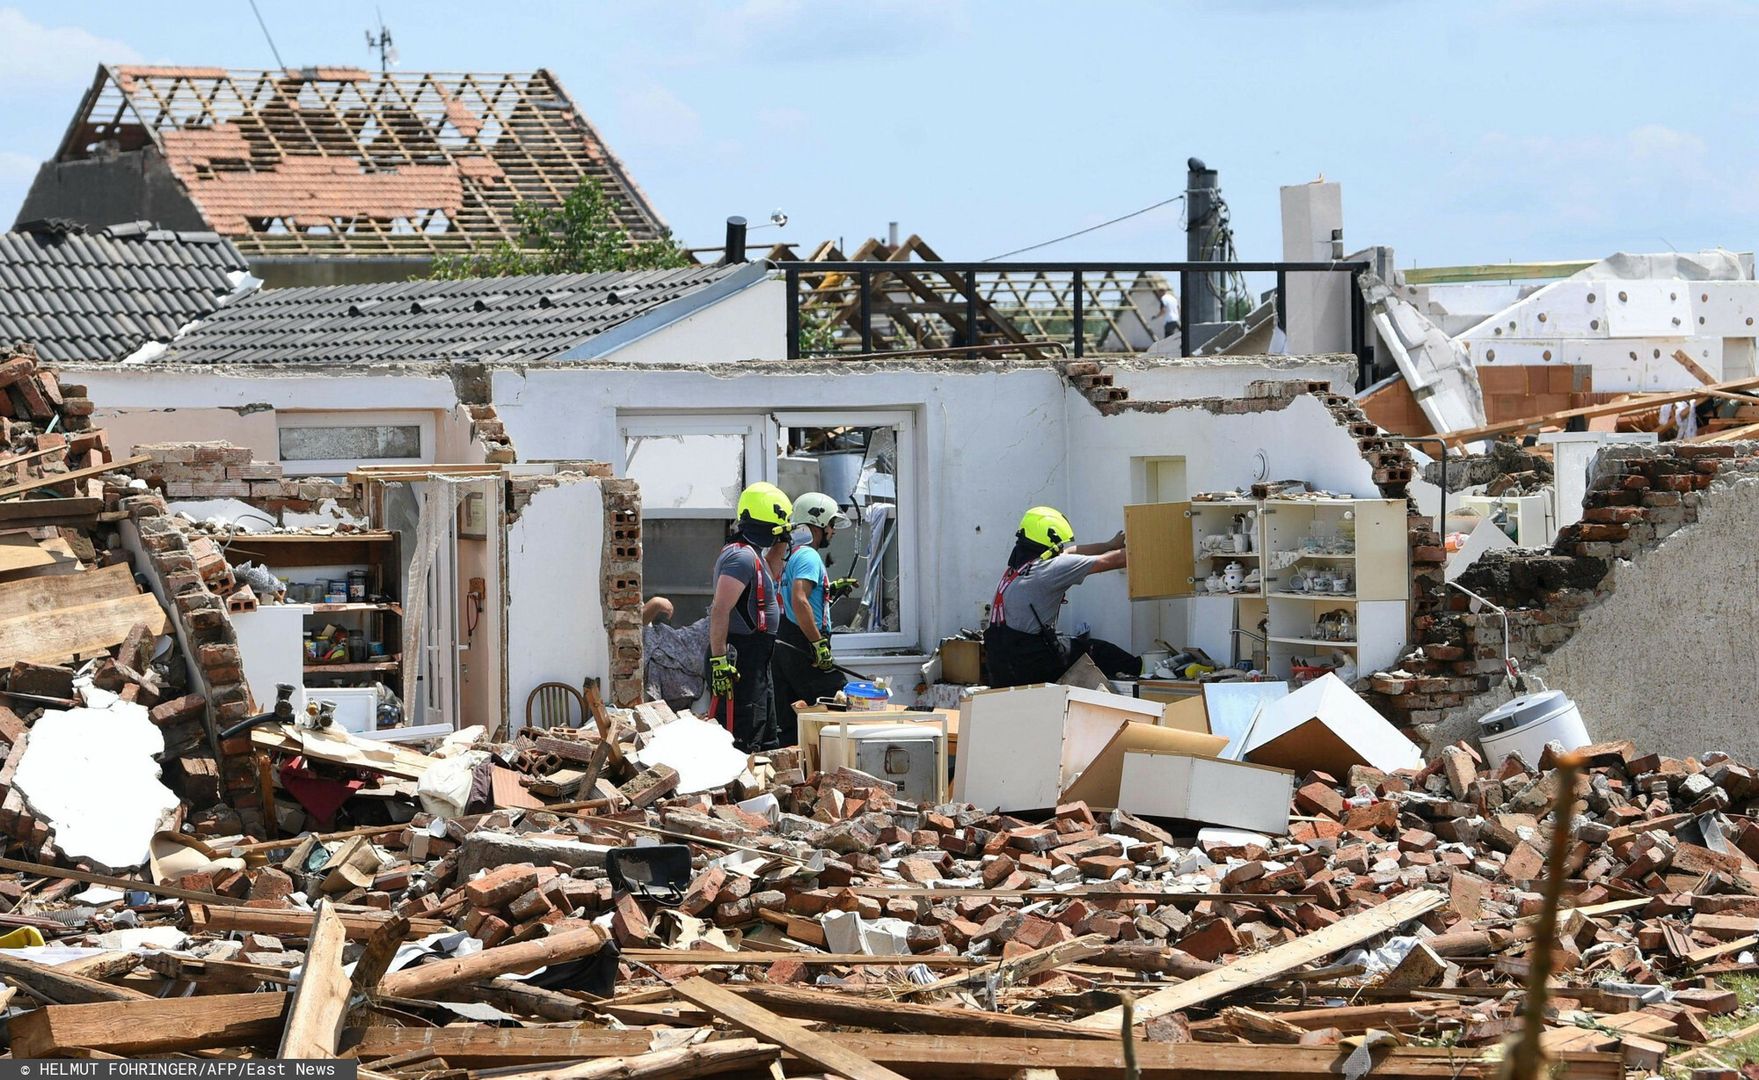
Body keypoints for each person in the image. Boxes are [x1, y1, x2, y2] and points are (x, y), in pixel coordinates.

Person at [983, 506, 1136, 687]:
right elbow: (1113, 561)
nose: (1061, 549)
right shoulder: (1050, 569)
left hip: (1001, 667)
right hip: (1032, 660)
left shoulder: (1017, 569)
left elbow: (1071, 552)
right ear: (1051, 538)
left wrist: (1110, 545)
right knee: (1100, 652)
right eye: (1059, 544)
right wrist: (1152, 543)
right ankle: (1147, 676)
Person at [707, 482, 792, 752]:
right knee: (743, 736)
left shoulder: (753, 556)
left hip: (758, 658)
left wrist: (783, 539)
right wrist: (719, 659)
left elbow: (772, 573)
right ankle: (739, 792)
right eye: (778, 529)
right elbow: (720, 609)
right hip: (740, 656)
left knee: (765, 735)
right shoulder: (740, 558)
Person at [771, 492, 857, 735]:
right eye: (831, 524)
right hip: (806, 646)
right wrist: (818, 644)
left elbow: (797, 598)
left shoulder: (793, 555)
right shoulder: (809, 556)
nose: (833, 530)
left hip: (787, 644)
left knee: (793, 725)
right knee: (840, 708)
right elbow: (799, 600)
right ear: (819, 522)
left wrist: (829, 590)